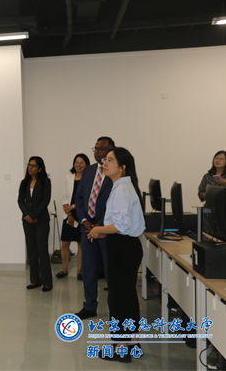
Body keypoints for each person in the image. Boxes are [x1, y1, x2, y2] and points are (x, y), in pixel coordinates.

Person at [89, 147, 145, 363]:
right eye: (105, 159)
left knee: (119, 300)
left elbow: (121, 226)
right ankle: (132, 342)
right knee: (127, 296)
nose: (104, 163)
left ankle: (121, 348)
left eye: (110, 160)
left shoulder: (122, 189)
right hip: (126, 246)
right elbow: (121, 224)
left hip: (122, 248)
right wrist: (105, 230)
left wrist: (98, 230)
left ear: (122, 167)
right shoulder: (122, 186)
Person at [74, 137, 115, 320]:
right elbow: (80, 197)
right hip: (87, 228)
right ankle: (89, 306)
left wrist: (102, 223)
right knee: (88, 270)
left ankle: (114, 308)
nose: (97, 152)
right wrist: (83, 220)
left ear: (111, 150)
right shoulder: (89, 170)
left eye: (101, 149)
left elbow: (115, 202)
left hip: (106, 230)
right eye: (95, 148)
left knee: (110, 271)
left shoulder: (115, 172)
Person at [18, 156, 53, 292]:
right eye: (29, 165)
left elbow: (45, 201)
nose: (30, 168)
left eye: (33, 165)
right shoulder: (24, 182)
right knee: (31, 250)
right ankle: (35, 280)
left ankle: (47, 282)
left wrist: (33, 216)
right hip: (27, 221)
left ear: (40, 168)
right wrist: (28, 215)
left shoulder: (45, 182)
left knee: (42, 251)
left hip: (41, 220)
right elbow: (20, 201)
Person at [56, 153, 90, 280]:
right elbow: (64, 195)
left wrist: (73, 207)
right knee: (65, 244)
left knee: (81, 244)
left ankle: (79, 271)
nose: (78, 165)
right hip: (69, 214)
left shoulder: (88, 179)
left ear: (86, 164)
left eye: (81, 162)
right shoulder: (68, 177)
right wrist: (69, 213)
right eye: (76, 162)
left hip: (81, 214)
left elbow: (86, 198)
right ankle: (64, 269)